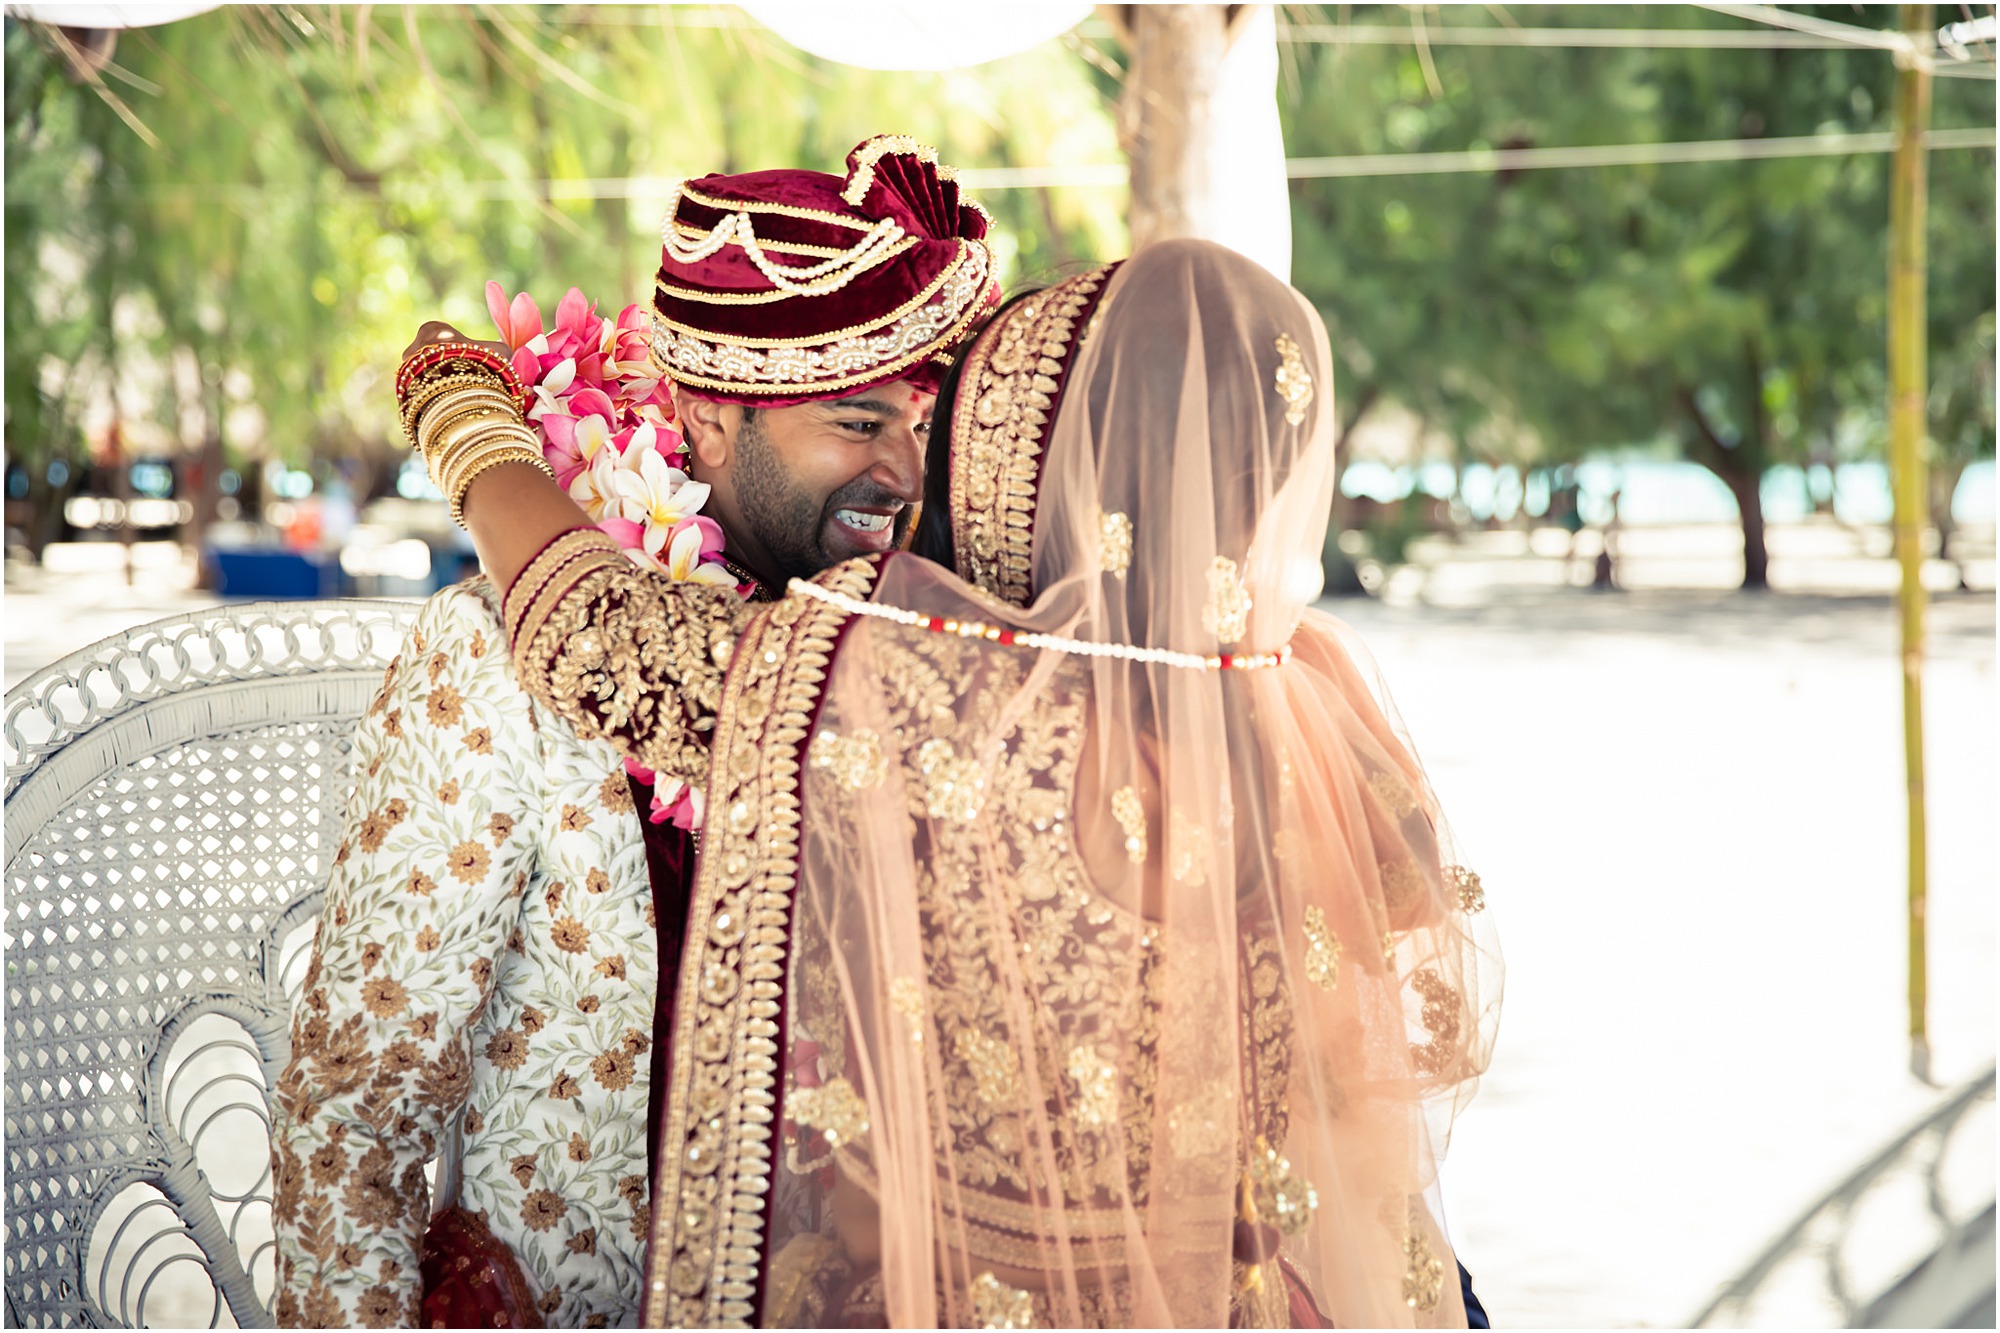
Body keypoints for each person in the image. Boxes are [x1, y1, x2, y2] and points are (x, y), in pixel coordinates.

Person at [418, 238, 1500, 1325]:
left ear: (1030, 459)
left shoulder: (943, 694)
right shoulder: (1304, 698)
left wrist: (461, 411)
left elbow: (600, 637)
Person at [269, 135, 996, 1328]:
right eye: (859, 422)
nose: (900, 474)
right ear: (707, 423)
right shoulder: (504, 656)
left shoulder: (903, 651)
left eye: (917, 428)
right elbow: (354, 1112)